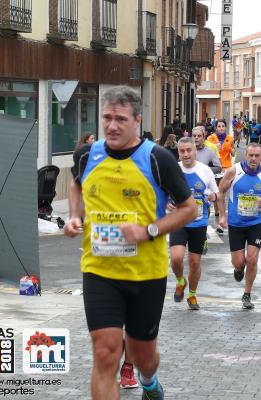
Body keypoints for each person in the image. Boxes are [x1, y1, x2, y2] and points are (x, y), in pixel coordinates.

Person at [63, 86, 196, 399]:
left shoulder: (157, 158)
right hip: (99, 270)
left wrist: (148, 230)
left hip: (145, 275)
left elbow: (190, 209)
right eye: (107, 118)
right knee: (106, 352)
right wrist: (74, 217)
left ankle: (149, 381)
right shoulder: (87, 155)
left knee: (141, 355)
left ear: (137, 120)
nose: (111, 125)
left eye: (120, 119)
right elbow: (76, 187)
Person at [218, 143, 261, 309]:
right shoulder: (233, 171)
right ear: (245, 155)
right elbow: (220, 192)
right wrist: (223, 215)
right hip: (236, 224)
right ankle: (238, 269)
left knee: (252, 260)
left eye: (257, 156)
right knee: (239, 262)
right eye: (250, 155)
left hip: (255, 223)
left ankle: (247, 294)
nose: (253, 159)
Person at [169, 137, 219, 310]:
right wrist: (166, 203)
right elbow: (162, 192)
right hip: (178, 221)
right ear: (179, 152)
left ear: (194, 151)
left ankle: (192, 295)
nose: (186, 154)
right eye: (182, 151)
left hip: (198, 223)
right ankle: (180, 281)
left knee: (194, 262)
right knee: (176, 259)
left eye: (189, 150)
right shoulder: (173, 169)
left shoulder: (205, 171)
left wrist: (214, 197)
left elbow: (216, 193)